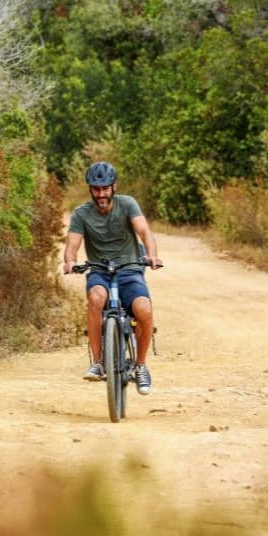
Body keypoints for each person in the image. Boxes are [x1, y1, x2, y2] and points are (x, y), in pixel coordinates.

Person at [63, 161, 163, 395]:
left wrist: (152, 255)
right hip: (99, 271)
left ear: (114, 187)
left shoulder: (127, 204)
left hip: (130, 270)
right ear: (90, 189)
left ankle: (140, 366)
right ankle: (98, 363)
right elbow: (72, 245)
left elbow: (144, 232)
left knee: (144, 310)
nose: (101, 194)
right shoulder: (81, 214)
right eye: (96, 189)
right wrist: (70, 261)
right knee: (96, 299)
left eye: (105, 188)